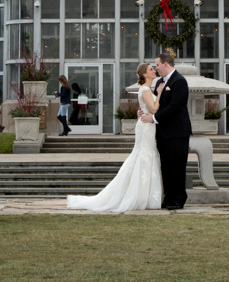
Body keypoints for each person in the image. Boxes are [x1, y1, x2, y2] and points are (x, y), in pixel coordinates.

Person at [67, 63, 162, 212]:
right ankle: (138, 195)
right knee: (143, 155)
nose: (154, 70)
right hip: (146, 127)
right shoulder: (145, 90)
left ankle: (145, 194)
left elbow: (147, 107)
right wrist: (161, 93)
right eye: (151, 69)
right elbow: (154, 108)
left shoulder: (147, 90)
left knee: (145, 155)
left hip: (147, 125)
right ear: (144, 74)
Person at [150, 50, 192, 210]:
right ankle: (168, 197)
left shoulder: (179, 81)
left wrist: (154, 118)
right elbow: (156, 103)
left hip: (177, 133)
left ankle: (179, 198)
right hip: (163, 133)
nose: (156, 68)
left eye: (158, 65)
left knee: (177, 166)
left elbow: (175, 106)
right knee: (166, 167)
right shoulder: (160, 82)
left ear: (166, 64)